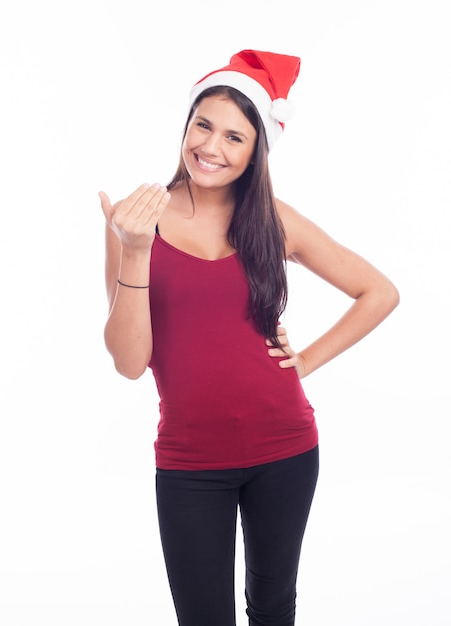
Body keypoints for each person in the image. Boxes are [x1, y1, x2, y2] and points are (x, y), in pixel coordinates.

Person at [99, 50, 399, 626]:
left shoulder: (271, 218)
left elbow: (378, 292)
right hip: (190, 462)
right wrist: (135, 250)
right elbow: (129, 363)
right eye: (203, 125)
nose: (212, 147)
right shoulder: (135, 221)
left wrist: (305, 360)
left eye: (235, 137)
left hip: (286, 450)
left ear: (256, 151)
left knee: (272, 608)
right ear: (185, 126)